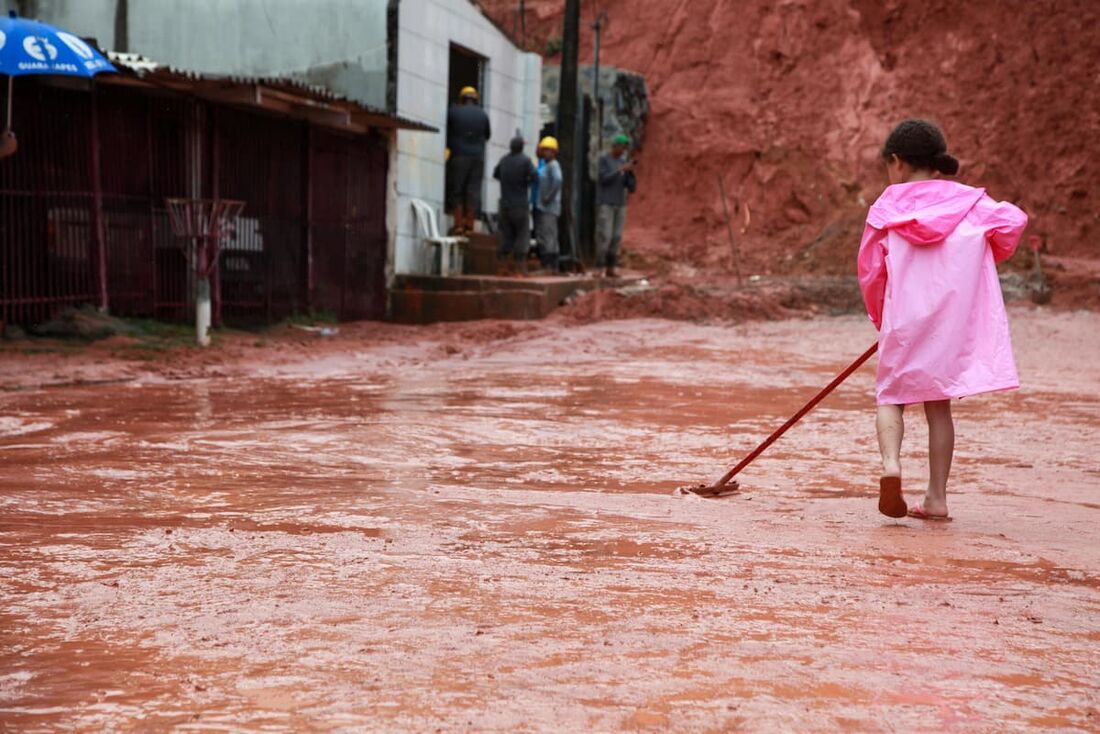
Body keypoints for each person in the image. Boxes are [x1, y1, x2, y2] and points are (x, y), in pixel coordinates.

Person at [858, 119, 1027, 520]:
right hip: (951, 324)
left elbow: (870, 271)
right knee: (939, 407)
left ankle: (891, 466)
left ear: (896, 162)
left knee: (891, 396)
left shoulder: (886, 208)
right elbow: (1013, 222)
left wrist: (882, 318)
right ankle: (936, 498)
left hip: (904, 319)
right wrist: (977, 260)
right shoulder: (971, 204)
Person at [445, 86, 491, 235]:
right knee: (473, 191)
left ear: (462, 99)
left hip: (459, 156)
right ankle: (470, 226)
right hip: (477, 158)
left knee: (457, 189)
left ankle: (458, 225)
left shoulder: (453, 112)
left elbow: (447, 130)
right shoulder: (483, 115)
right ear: (475, 99)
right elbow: (488, 136)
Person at [492, 135, 536, 275]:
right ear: (522, 147)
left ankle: (502, 266)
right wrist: (525, 183)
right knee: (522, 234)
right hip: (520, 204)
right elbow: (534, 176)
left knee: (506, 235)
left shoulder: (504, 160)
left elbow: (496, 174)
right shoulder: (525, 160)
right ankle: (520, 269)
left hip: (505, 205)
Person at [596, 133, 636, 277]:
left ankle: (610, 267)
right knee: (605, 236)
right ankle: (599, 266)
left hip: (620, 203)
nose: (623, 151)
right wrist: (620, 170)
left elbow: (629, 186)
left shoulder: (622, 161)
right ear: (616, 146)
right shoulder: (604, 160)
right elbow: (603, 178)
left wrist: (630, 174)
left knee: (616, 236)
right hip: (606, 203)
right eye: (622, 147)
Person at [534, 136, 563, 272]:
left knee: (549, 235)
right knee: (545, 234)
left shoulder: (553, 165)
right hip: (543, 206)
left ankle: (550, 265)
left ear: (553, 152)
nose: (544, 152)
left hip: (549, 208)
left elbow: (558, 180)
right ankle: (549, 264)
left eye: (547, 150)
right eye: (543, 150)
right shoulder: (545, 165)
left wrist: (548, 197)